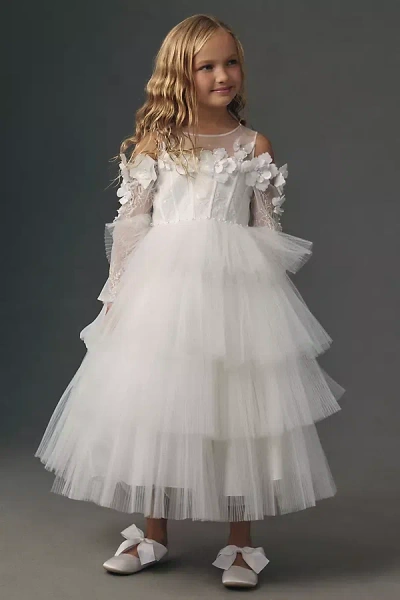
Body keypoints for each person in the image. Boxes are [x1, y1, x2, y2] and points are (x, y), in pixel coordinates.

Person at [34, 13, 345, 589]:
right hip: (164, 296)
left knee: (241, 411)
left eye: (231, 63)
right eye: (207, 67)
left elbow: (267, 232)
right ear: (180, 74)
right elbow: (131, 226)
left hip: (236, 298)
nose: (222, 76)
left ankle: (241, 545)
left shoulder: (253, 146)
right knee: (162, 405)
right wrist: (116, 297)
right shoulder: (158, 144)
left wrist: (267, 302)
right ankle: (153, 533)